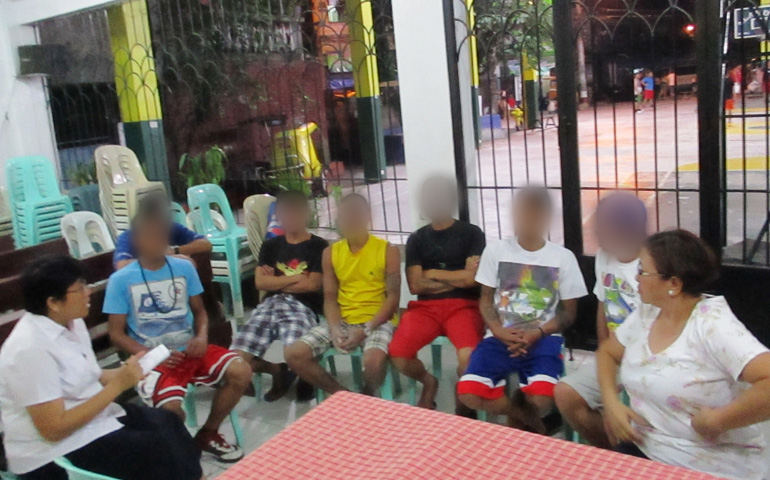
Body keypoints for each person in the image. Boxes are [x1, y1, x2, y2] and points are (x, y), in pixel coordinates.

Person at [0, 256, 202, 480]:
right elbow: (53, 429)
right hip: (51, 454)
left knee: (168, 422)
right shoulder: (29, 349)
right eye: (80, 289)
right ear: (53, 302)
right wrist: (118, 385)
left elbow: (85, 375)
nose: (88, 293)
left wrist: (129, 373)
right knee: (155, 449)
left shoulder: (71, 322)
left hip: (91, 422)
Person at [597, 230, 770, 480]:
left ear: (674, 284)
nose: (636, 278)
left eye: (642, 271)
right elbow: (607, 354)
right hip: (649, 450)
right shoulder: (646, 314)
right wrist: (611, 404)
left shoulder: (712, 325)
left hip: (713, 464)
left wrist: (719, 420)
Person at [104, 206, 252, 463]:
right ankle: (180, 451)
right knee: (172, 412)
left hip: (190, 348)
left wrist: (201, 336)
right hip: (150, 358)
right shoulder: (122, 279)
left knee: (241, 371)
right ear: (137, 240)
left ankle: (208, 433)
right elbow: (116, 334)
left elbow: (200, 312)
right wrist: (150, 353)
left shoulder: (183, 268)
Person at [457, 187, 588, 433]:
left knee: (542, 399)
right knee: (468, 393)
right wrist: (498, 330)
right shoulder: (495, 251)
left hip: (543, 339)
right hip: (499, 337)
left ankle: (522, 423)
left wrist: (538, 332)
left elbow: (568, 314)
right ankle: (526, 418)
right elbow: (485, 300)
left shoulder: (563, 258)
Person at [554, 193, 647, 448]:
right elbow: (603, 307)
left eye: (601, 225)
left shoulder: (653, 265)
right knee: (566, 393)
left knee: (640, 416)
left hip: (649, 362)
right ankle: (613, 453)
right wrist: (605, 356)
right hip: (614, 358)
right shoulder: (605, 257)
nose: (595, 232)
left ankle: (640, 456)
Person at [285, 194, 400, 396]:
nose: (350, 220)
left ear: (367, 217)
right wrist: (335, 328)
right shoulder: (331, 253)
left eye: (356, 215)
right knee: (294, 354)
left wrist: (365, 329)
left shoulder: (387, 250)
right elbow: (330, 297)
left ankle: (368, 395)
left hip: (377, 320)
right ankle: (344, 395)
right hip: (344, 319)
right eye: (345, 216)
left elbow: (393, 299)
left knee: (373, 362)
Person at [389, 176, 486, 412]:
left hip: (465, 307)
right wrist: (459, 277)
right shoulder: (417, 239)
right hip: (425, 309)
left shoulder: (472, 233)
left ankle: (463, 392)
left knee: (468, 358)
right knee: (398, 353)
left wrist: (432, 273)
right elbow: (416, 286)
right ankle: (428, 381)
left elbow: (473, 280)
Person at [230, 190, 328, 401]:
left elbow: (312, 285)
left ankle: (307, 379)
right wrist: (295, 278)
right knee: (235, 360)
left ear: (305, 214)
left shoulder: (318, 246)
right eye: (285, 213)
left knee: (297, 353)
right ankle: (276, 370)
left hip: (302, 306)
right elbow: (260, 283)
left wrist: (276, 281)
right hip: (270, 304)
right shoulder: (271, 246)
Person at [113, 192, 211, 270]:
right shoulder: (128, 237)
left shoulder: (171, 228)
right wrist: (166, 259)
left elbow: (206, 244)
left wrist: (175, 251)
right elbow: (121, 265)